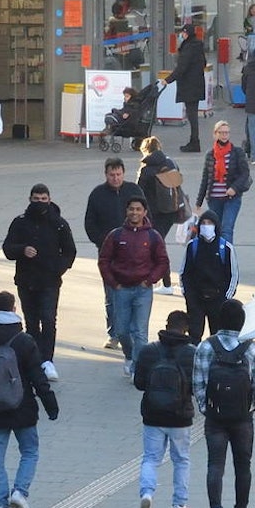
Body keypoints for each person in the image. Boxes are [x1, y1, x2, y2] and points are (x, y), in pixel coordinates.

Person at [0, 291, 59, 508]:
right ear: (14, 310)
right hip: (23, 408)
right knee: (29, 451)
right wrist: (51, 405)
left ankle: (0, 504)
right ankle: (19, 492)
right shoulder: (24, 341)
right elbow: (38, 377)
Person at [192, 299, 255, 508]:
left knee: (215, 464)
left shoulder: (206, 346)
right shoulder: (252, 349)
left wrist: (206, 409)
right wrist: (249, 408)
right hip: (242, 419)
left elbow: (198, 384)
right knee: (243, 466)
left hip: (215, 418)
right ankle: (241, 506)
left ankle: (216, 506)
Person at [1, 183, 78, 367]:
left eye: (43, 199)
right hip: (26, 281)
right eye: (36, 199)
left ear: (49, 200)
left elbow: (70, 252)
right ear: (30, 199)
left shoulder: (59, 224)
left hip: (49, 282)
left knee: (49, 320)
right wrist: (22, 250)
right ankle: (33, 359)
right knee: (32, 322)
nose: (40, 202)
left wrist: (57, 269)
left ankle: (47, 361)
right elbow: (7, 248)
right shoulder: (20, 222)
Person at [132, 309, 198, 508]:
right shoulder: (192, 353)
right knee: (181, 460)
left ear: (166, 325)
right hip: (180, 417)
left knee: (150, 458)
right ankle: (179, 504)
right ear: (186, 329)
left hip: (153, 415)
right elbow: (196, 387)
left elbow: (139, 383)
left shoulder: (149, 350)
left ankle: (147, 493)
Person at [101, 198, 170, 377]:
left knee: (140, 332)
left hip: (143, 291)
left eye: (138, 209)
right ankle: (129, 356)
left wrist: (150, 280)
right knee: (122, 331)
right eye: (131, 209)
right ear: (126, 211)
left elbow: (163, 261)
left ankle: (137, 368)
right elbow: (104, 260)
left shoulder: (153, 236)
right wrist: (113, 283)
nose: (135, 213)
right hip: (121, 290)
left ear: (144, 212)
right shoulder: (116, 235)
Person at [93, 155, 153, 313]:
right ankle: (113, 327)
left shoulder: (134, 190)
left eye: (118, 174)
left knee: (136, 298)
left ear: (123, 173)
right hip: (110, 254)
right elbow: (90, 224)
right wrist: (103, 242)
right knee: (111, 296)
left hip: (135, 252)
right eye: (112, 175)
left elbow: (147, 217)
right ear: (106, 175)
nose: (115, 178)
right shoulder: (97, 194)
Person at [181, 211, 239, 343]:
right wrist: (189, 295)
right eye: (203, 223)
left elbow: (233, 275)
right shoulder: (192, 246)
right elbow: (184, 273)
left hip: (218, 300)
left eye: (210, 223)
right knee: (194, 335)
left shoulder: (226, 248)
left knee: (217, 337)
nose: (206, 226)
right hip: (196, 299)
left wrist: (225, 298)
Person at [135, 143, 186, 289]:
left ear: (145, 150)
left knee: (157, 247)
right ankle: (163, 281)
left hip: (154, 214)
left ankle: (166, 284)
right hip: (171, 211)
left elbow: (138, 193)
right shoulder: (171, 162)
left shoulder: (146, 169)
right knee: (158, 244)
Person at [196, 120, 251, 244]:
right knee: (216, 228)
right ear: (215, 134)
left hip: (231, 198)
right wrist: (199, 202)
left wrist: (234, 188)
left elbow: (245, 174)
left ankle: (226, 253)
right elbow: (205, 178)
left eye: (226, 133)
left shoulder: (237, 152)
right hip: (214, 198)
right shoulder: (210, 154)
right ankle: (217, 253)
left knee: (227, 228)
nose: (224, 135)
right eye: (221, 133)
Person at [170, 24, 209, 152]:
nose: (181, 35)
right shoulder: (198, 46)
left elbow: (182, 67)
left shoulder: (188, 47)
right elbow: (203, 63)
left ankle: (195, 142)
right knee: (193, 114)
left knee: (191, 115)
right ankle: (194, 141)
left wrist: (168, 80)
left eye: (183, 33)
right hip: (197, 84)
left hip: (189, 85)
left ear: (186, 34)